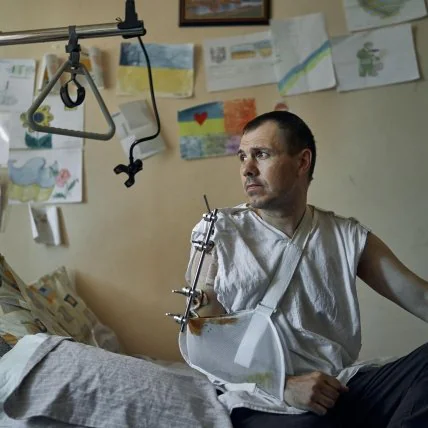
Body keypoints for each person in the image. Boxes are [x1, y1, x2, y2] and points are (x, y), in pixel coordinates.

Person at [183, 111, 428, 428]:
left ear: (302, 162)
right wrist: (284, 386)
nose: (247, 169)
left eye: (261, 154)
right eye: (242, 157)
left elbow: (420, 298)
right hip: (266, 399)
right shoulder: (218, 231)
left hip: (339, 386)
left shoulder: (346, 235)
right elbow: (204, 343)